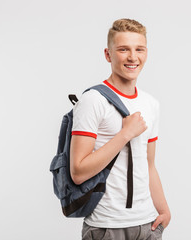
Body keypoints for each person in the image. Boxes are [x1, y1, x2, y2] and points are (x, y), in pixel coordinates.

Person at [70, 18, 171, 240]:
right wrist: (125, 134)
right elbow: (78, 172)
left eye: (139, 49)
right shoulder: (93, 100)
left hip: (147, 225)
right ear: (108, 54)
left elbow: (149, 164)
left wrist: (163, 210)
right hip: (106, 227)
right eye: (123, 49)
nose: (133, 57)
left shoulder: (151, 104)